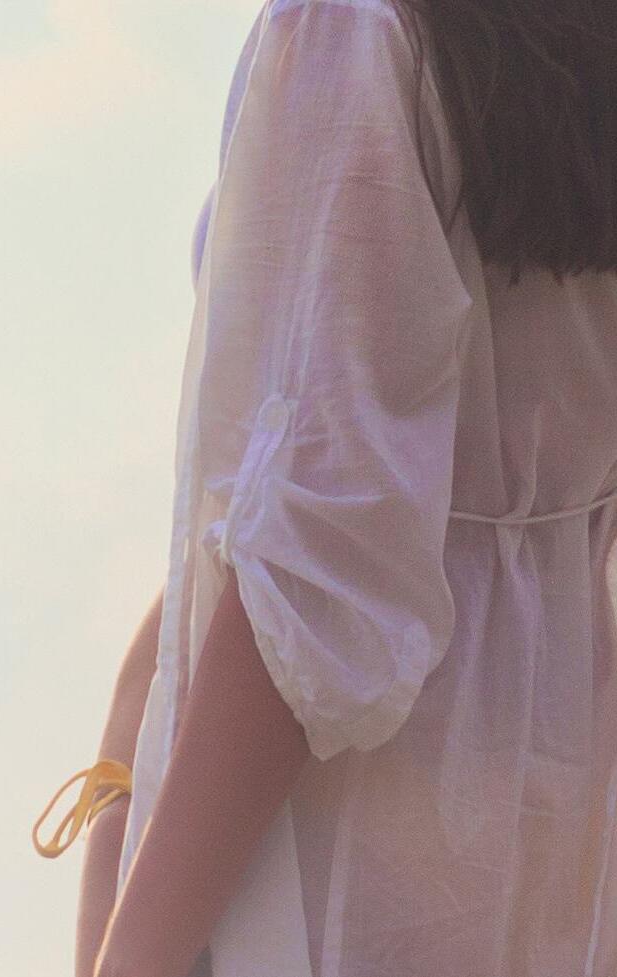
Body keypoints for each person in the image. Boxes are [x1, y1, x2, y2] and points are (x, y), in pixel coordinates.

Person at [53, 0, 617, 974]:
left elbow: (318, 578)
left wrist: (132, 953)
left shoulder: (352, 30)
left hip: (330, 877)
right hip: (547, 858)